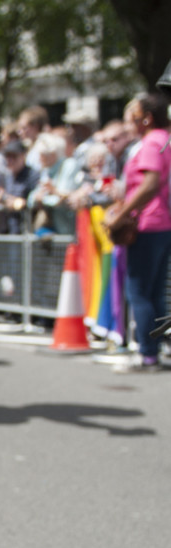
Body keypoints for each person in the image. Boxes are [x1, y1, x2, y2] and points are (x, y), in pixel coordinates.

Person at [112, 91, 171, 372]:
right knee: (155, 292)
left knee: (139, 293)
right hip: (163, 223)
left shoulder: (151, 143)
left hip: (147, 224)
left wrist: (121, 215)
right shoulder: (165, 140)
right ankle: (158, 350)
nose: (130, 122)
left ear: (146, 119)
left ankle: (148, 353)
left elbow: (149, 185)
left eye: (133, 116)